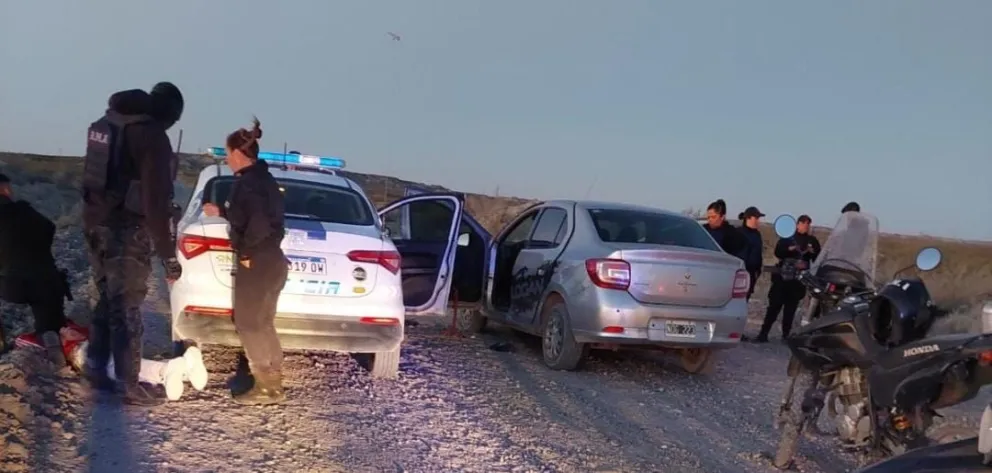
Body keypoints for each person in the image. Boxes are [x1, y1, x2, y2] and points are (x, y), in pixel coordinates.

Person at [81, 82, 185, 406]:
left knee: (106, 299)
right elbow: (154, 205)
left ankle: (96, 366)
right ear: (170, 114)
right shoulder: (152, 136)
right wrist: (168, 256)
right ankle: (129, 384)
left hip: (94, 224)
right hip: (126, 231)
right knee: (127, 307)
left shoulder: (109, 122)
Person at [202, 118, 288, 405]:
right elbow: (255, 216)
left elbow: (258, 223)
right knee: (263, 321)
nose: (227, 159)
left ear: (238, 153)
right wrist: (223, 213)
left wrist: (247, 253)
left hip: (258, 260)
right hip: (273, 259)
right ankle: (274, 382)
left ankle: (266, 387)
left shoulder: (248, 184)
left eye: (228, 153)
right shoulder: (264, 180)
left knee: (249, 322)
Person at [17, 324, 209, 401]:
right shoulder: (64, 342)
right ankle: (181, 368)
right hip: (90, 355)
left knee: (122, 369)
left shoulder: (79, 336)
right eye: (64, 331)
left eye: (67, 329)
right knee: (127, 368)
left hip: (91, 354)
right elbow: (23, 340)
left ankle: (169, 370)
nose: (67, 331)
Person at [0, 173, 74, 366]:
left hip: (10, 285)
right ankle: (51, 337)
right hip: (46, 281)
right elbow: (49, 228)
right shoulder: (25, 210)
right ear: (5, 189)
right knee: (49, 315)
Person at [754, 214, 821, 342]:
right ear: (797, 224)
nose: (806, 226)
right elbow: (778, 252)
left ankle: (785, 336)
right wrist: (790, 249)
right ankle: (763, 333)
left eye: (808, 224)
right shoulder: (788, 237)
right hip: (782, 279)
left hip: (797, 281)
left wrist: (812, 253)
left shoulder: (812, 240)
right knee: (774, 307)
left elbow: (817, 258)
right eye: (803, 223)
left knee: (790, 310)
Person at [738, 206, 765, 301]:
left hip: (752, 275)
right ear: (748, 218)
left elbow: (758, 254)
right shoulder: (738, 233)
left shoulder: (757, 234)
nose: (758, 221)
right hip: (740, 274)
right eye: (756, 218)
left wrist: (758, 270)